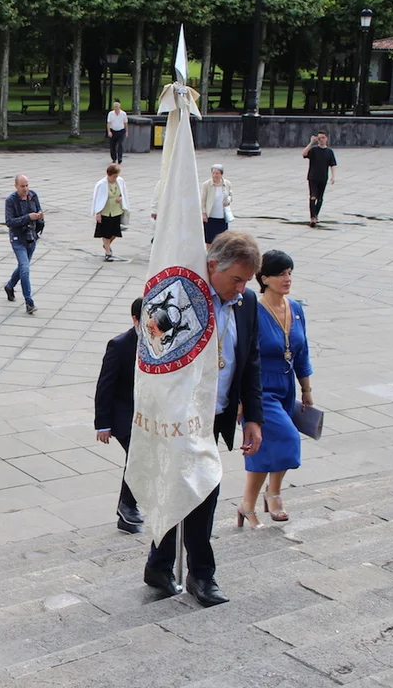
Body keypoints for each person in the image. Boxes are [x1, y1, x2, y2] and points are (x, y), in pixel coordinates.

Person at [143, 231, 264, 607]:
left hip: (215, 417)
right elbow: (152, 349)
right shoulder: (181, 297)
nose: (241, 289)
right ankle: (194, 572)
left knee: (195, 490)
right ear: (213, 266)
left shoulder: (246, 303)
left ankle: (168, 566)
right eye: (236, 279)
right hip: (177, 418)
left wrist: (253, 417)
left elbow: (250, 360)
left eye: (247, 281)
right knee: (192, 491)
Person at [238, 250, 314, 529]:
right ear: (264, 278)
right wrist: (240, 399)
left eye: (290, 273)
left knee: (266, 447)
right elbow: (241, 356)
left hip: (286, 387)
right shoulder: (253, 310)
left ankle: (248, 505)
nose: (287, 278)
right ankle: (273, 494)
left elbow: (302, 351)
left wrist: (306, 388)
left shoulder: (295, 309)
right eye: (281, 274)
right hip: (259, 388)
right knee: (287, 438)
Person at [95, 297, 145, 533]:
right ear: (135, 319)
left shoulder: (161, 342)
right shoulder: (120, 345)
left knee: (141, 458)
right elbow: (105, 386)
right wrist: (102, 424)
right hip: (124, 414)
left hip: (147, 414)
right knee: (138, 456)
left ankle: (127, 511)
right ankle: (128, 505)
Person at [4, 174, 43, 314]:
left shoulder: (33, 196)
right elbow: (9, 222)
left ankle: (10, 286)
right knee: (25, 269)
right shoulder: (11, 200)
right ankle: (29, 301)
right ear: (16, 186)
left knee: (22, 266)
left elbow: (38, 209)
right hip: (18, 239)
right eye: (22, 186)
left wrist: (39, 216)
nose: (25, 189)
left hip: (31, 237)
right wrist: (28, 217)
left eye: (27, 185)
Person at [91, 163, 130, 261]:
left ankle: (106, 245)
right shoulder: (102, 184)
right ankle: (108, 252)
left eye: (116, 176)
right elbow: (98, 199)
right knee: (106, 233)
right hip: (106, 211)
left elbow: (123, 193)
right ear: (109, 175)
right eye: (114, 176)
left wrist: (120, 198)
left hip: (116, 210)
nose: (115, 178)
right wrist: (98, 213)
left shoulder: (120, 181)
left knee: (115, 232)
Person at [302, 130, 336, 227]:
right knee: (313, 196)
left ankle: (316, 215)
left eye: (323, 138)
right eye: (319, 138)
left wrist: (333, 176)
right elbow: (304, 154)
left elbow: (333, 164)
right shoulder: (314, 150)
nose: (321, 140)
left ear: (326, 138)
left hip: (323, 177)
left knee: (320, 198)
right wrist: (311, 143)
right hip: (312, 177)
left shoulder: (329, 152)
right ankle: (312, 217)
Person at [200, 164, 234, 246]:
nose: (215, 175)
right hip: (210, 216)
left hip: (222, 216)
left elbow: (230, 195)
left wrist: (228, 200)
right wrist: (203, 213)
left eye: (217, 173)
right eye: (213, 173)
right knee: (209, 240)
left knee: (222, 239)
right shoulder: (206, 184)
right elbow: (203, 200)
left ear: (221, 174)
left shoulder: (227, 183)